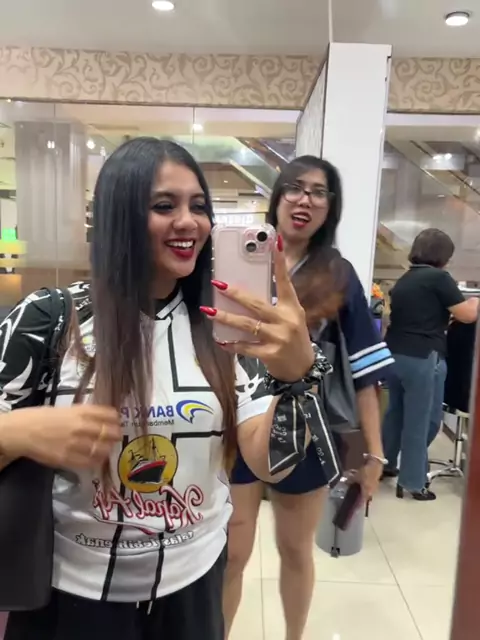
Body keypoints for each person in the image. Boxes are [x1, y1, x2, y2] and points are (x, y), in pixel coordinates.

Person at [0, 138, 319, 640]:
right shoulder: (48, 318)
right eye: (164, 206)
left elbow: (268, 463)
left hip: (193, 590)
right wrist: (18, 432)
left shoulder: (223, 328)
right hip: (71, 598)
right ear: (120, 215)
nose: (189, 222)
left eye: (199, 206)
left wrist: (299, 377)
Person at [224, 155, 394, 640]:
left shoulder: (337, 274)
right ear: (278, 195)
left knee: (296, 549)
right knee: (232, 553)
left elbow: (365, 371)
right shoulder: (238, 260)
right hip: (234, 420)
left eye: (319, 192)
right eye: (296, 188)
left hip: (306, 428)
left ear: (330, 207)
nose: (305, 200)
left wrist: (374, 454)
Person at [382, 228, 479, 501]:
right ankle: (413, 482)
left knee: (395, 414)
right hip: (423, 358)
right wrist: (474, 301)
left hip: (394, 355)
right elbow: (467, 315)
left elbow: (419, 314)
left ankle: (385, 463)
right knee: (423, 421)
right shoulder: (439, 278)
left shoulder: (405, 279)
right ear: (443, 255)